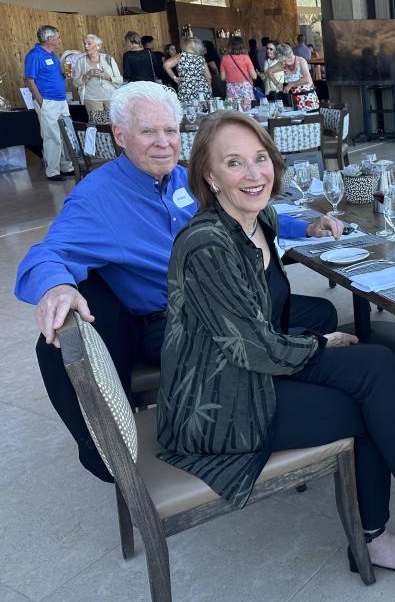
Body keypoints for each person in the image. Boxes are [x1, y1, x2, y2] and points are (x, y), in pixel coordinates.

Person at [158, 112, 395, 582]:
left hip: (255, 367)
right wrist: (318, 343)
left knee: (376, 363)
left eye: (260, 158)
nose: (254, 174)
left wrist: (311, 228)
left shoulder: (255, 217)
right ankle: (377, 535)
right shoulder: (206, 245)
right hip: (220, 400)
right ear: (210, 177)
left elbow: (283, 218)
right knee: (366, 410)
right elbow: (250, 347)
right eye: (234, 163)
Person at [14, 82, 344, 482]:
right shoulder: (98, 199)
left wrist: (306, 226)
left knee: (322, 312)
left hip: (230, 301)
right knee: (312, 336)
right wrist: (57, 286)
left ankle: (286, 381)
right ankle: (266, 402)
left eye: (170, 131)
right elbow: (48, 253)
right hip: (175, 324)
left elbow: (244, 211)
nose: (163, 144)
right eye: (148, 132)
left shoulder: (184, 179)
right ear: (120, 135)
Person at [24, 25, 75, 181]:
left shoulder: (53, 55)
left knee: (65, 133)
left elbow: (54, 77)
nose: (60, 40)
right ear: (49, 39)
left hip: (61, 100)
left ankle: (66, 166)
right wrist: (41, 102)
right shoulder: (34, 55)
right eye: (58, 37)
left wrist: (66, 75)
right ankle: (53, 171)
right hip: (48, 102)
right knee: (51, 135)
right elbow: (29, 80)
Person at [73, 33, 122, 118]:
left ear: (98, 46)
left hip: (110, 98)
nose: (86, 46)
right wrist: (87, 75)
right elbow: (75, 83)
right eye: (85, 44)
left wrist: (108, 77)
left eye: (89, 44)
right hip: (92, 99)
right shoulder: (80, 61)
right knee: (101, 128)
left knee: (115, 124)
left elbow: (120, 80)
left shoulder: (108, 59)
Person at [164, 37, 212, 108]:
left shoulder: (181, 56)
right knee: (203, 111)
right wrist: (209, 87)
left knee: (187, 112)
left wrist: (175, 78)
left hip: (185, 88)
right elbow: (209, 77)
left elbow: (166, 65)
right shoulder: (201, 58)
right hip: (202, 88)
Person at [276, 42, 319, 112]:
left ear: (287, 56)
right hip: (296, 100)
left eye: (284, 61)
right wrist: (277, 83)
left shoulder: (301, 61)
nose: (283, 63)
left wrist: (290, 85)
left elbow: (307, 79)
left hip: (308, 99)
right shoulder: (285, 64)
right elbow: (269, 71)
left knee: (311, 120)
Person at [220, 35, 257, 110]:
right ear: (243, 46)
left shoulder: (224, 58)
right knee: (248, 112)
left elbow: (222, 77)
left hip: (230, 90)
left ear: (229, 46)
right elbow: (254, 76)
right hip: (245, 90)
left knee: (231, 110)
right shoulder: (246, 57)